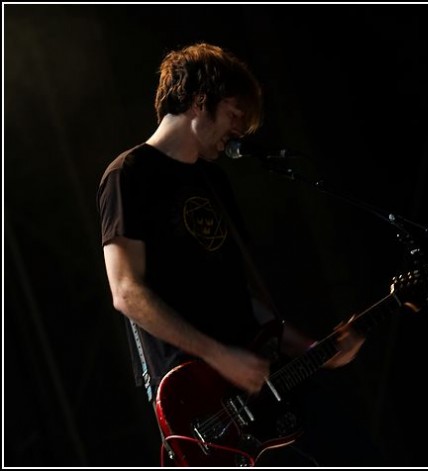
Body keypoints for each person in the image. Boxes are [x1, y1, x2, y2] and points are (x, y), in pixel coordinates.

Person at [97, 42, 365, 466]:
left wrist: (313, 348)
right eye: (235, 114)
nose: (239, 131)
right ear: (200, 101)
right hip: (196, 393)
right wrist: (219, 355)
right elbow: (126, 292)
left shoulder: (214, 182)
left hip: (252, 380)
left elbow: (242, 296)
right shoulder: (129, 174)